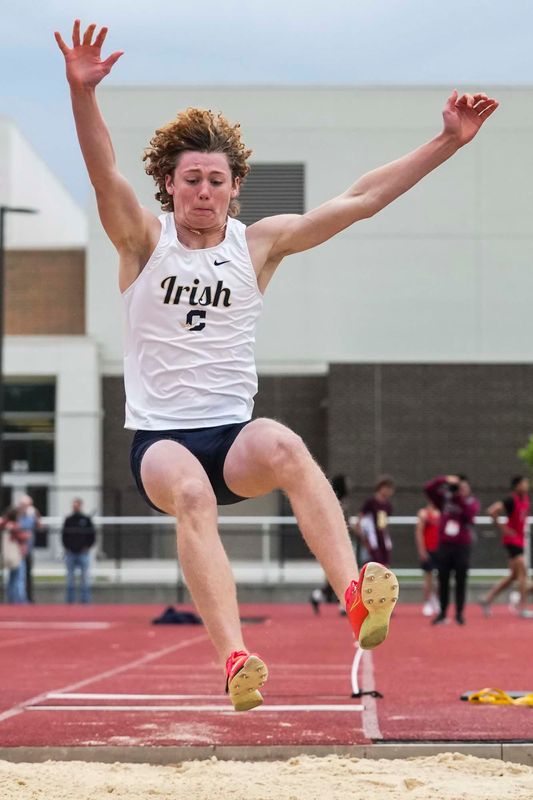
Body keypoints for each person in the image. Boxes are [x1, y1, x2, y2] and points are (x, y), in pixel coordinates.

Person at [55, 19, 497, 710]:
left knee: (286, 445)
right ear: (168, 187)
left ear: (235, 189)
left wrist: (444, 141)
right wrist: (82, 94)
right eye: (190, 180)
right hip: (161, 440)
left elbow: (361, 200)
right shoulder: (143, 241)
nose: (203, 191)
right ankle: (233, 657)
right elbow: (102, 172)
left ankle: (353, 592)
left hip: (231, 436)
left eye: (215, 181)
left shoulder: (257, 246)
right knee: (192, 497)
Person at [425, 475, 480, 625]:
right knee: (443, 578)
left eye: (463, 487)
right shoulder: (445, 499)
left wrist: (460, 498)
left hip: (462, 546)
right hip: (445, 545)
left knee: (461, 580)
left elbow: (469, 516)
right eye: (458, 487)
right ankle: (442, 612)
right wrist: (445, 480)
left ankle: (459, 613)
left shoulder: (471, 502)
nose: (460, 490)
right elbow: (428, 489)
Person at [480, 476, 533, 618]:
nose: (527, 485)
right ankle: (523, 607)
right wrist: (502, 528)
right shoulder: (511, 500)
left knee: (514, 576)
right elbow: (492, 510)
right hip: (512, 539)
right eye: (524, 483)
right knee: (522, 572)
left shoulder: (526, 499)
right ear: (516, 486)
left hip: (520, 539)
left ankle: (487, 598)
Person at [309, 474, 351, 614]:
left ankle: (318, 596)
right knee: (341, 573)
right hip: (335, 542)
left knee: (337, 575)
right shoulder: (335, 502)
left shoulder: (333, 501)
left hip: (335, 541)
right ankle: (342, 604)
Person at [354, 477, 396, 566]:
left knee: (386, 560)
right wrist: (362, 536)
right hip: (372, 536)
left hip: (382, 535)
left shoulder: (388, 505)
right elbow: (360, 518)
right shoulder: (371, 502)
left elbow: (384, 523)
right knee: (376, 561)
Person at [62, 498, 96, 604]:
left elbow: (92, 535)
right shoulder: (68, 520)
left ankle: (85, 601)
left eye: (77, 505)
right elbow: (64, 536)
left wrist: (87, 547)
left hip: (83, 553)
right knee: (70, 579)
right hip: (71, 553)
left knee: (85, 578)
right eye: (73, 505)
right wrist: (67, 547)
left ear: (80, 505)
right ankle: (70, 601)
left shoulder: (86, 520)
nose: (75, 507)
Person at [414, 498, 441, 616]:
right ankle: (427, 602)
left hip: (440, 549)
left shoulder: (442, 513)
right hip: (429, 549)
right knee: (428, 577)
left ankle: (437, 600)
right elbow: (419, 532)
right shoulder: (423, 513)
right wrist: (421, 549)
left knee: (442, 578)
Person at [1, 508, 30, 604]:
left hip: (10, 556)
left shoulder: (6, 524)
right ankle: (20, 601)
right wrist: (27, 535)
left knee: (12, 579)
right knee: (19, 579)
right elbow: (22, 537)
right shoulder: (15, 526)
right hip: (17, 555)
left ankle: (11, 600)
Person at [17, 495, 42, 604]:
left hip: (29, 550)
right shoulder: (17, 515)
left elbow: (40, 527)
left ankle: (29, 598)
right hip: (17, 550)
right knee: (18, 576)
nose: (25, 507)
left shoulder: (32, 515)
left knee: (28, 575)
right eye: (24, 505)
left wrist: (36, 516)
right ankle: (19, 599)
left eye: (27, 505)